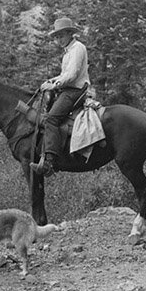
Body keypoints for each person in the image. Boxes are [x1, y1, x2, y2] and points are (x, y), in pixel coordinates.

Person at [33, 16, 89, 177]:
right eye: (57, 36)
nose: (58, 39)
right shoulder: (69, 51)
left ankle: (50, 162)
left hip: (75, 91)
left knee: (51, 118)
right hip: (68, 89)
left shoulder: (78, 48)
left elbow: (72, 75)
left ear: (70, 33)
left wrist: (54, 85)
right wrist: (52, 80)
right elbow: (65, 74)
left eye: (61, 35)